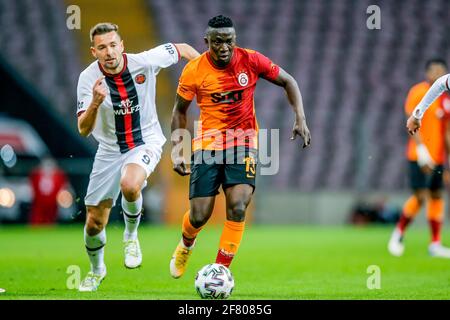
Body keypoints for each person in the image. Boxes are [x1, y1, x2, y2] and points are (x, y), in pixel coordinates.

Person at [169, 15, 311, 279]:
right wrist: (178, 148)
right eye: (217, 42)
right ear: (206, 41)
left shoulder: (250, 59)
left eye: (229, 41)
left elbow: (289, 81)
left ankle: (220, 272)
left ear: (235, 40)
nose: (224, 48)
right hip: (208, 144)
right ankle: (186, 244)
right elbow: (179, 111)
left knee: (238, 205)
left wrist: (300, 117)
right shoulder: (194, 70)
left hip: (243, 142)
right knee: (200, 216)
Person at [76, 22, 199, 291]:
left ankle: (130, 237)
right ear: (93, 51)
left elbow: (185, 49)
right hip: (109, 150)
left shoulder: (144, 62)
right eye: (101, 47)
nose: (108, 52)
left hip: (145, 141)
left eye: (112, 45)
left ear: (122, 45)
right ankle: (97, 271)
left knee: (130, 184)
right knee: (94, 222)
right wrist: (96, 102)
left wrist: (205, 75)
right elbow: (83, 129)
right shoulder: (88, 79)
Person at [389, 59, 450, 258]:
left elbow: (447, 132)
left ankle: (435, 244)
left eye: (441, 70)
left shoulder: (445, 99)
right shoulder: (418, 91)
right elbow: (411, 121)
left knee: (437, 195)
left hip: (439, 156)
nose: (438, 73)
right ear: (427, 72)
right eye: (434, 70)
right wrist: (422, 149)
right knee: (420, 196)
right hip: (419, 155)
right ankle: (398, 234)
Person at [29, 156, 68, 224]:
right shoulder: (36, 175)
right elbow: (31, 187)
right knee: (37, 219)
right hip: (39, 203)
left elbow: (63, 187)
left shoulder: (58, 176)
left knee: (51, 219)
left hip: (52, 204)